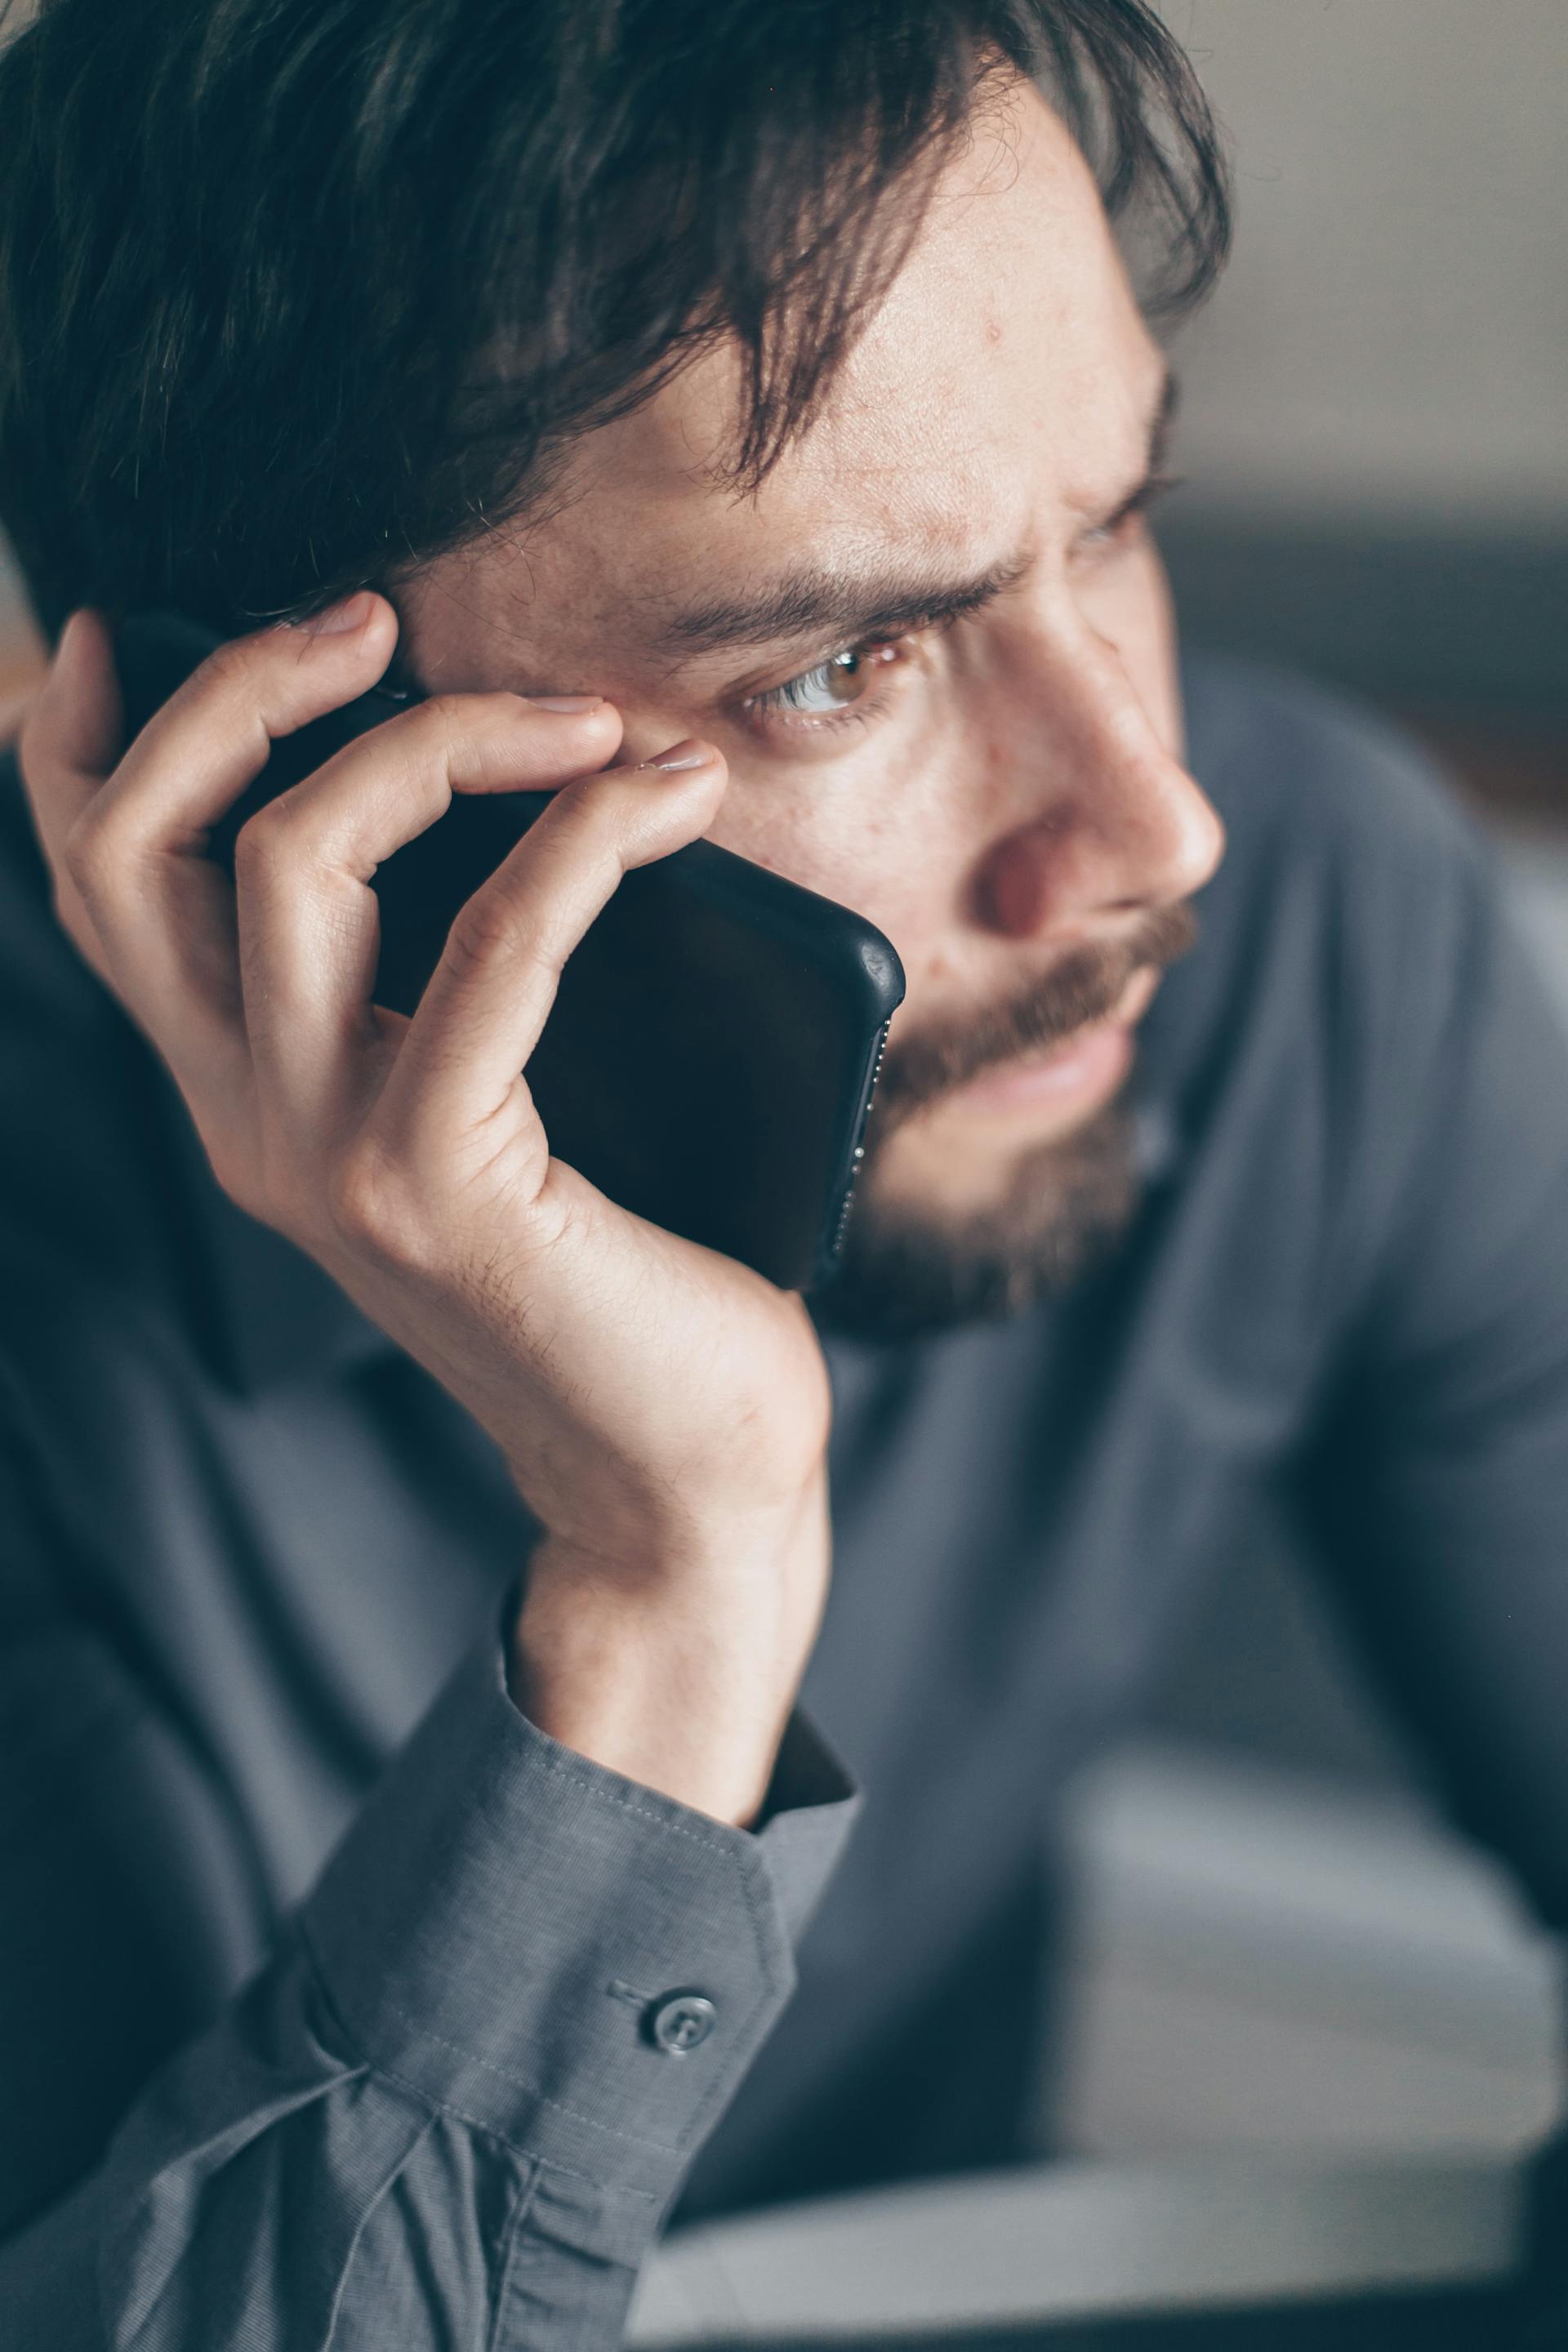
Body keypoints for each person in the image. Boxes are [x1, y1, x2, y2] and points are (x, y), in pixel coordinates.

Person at [0, 2, 1564, 2344]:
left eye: (1119, 521)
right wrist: (665, 1576)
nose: (1153, 831)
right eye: (841, 664)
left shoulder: (1319, 934)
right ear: (274, 776)